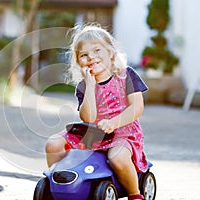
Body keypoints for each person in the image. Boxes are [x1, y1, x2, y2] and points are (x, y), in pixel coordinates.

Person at [45, 24, 148, 200]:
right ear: (79, 62)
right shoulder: (84, 86)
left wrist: (113, 123)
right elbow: (89, 118)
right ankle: (62, 185)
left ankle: (134, 194)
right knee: (53, 144)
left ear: (110, 52)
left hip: (123, 131)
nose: (91, 57)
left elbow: (136, 108)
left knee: (118, 158)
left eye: (97, 50)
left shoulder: (126, 75)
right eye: (84, 55)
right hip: (92, 133)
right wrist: (90, 86)